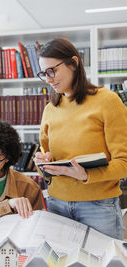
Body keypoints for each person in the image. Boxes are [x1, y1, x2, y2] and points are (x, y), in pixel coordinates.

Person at [34, 37, 127, 240]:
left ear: (74, 63)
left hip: (98, 207)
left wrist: (85, 176)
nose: (48, 79)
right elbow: (45, 158)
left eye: (52, 71)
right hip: (57, 204)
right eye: (43, 73)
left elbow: (124, 163)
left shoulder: (108, 101)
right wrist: (41, 163)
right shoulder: (50, 109)